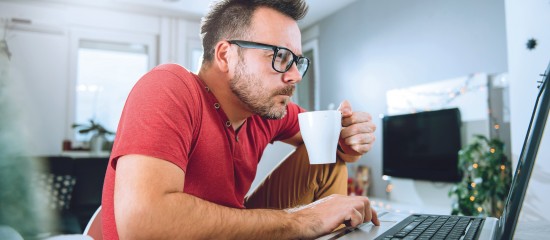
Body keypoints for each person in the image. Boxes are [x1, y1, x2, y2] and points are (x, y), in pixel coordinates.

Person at [102, 0, 379, 239]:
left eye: (297, 61)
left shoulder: (264, 109)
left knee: (328, 162)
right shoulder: (169, 87)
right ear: (226, 55)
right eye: (280, 56)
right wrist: (305, 219)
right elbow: (143, 225)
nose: (294, 75)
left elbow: (330, 142)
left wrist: (348, 138)